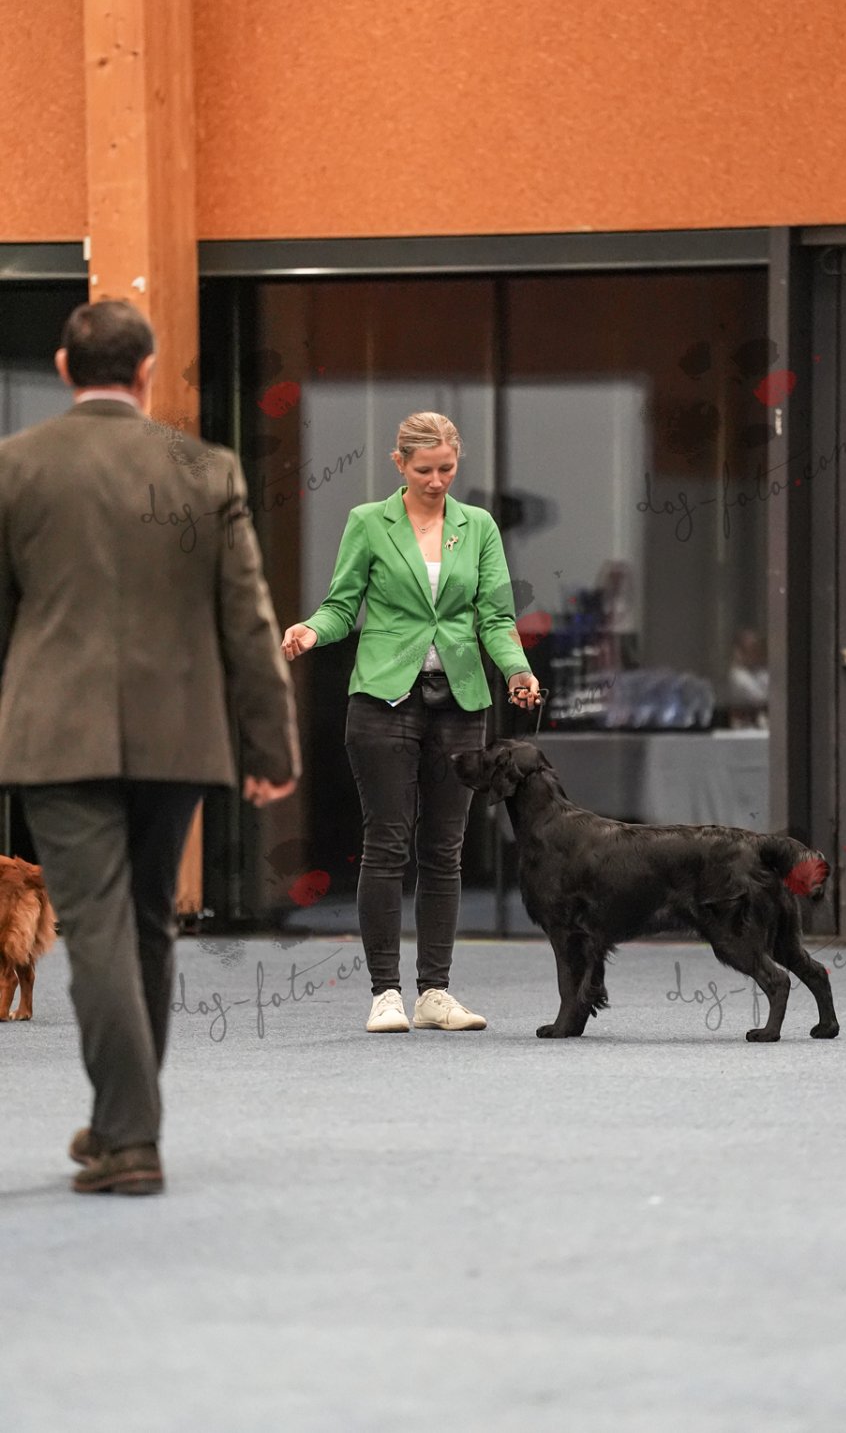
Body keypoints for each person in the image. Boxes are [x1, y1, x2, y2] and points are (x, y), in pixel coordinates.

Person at [0, 299, 300, 1195]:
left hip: (57, 736)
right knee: (147, 925)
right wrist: (270, 743)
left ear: (65, 368)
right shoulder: (206, 469)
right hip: (181, 737)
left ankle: (130, 1140)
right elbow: (247, 619)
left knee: (96, 928)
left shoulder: (15, 466)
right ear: (145, 372)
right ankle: (121, 1123)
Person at [282, 411, 540, 1034]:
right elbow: (343, 605)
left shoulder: (477, 526)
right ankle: (385, 993)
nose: (436, 480)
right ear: (399, 464)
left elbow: (495, 616)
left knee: (446, 849)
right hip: (383, 698)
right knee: (387, 843)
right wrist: (312, 630)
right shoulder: (368, 522)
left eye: (447, 468)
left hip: (460, 698)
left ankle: (435, 992)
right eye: (424, 469)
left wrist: (517, 671)